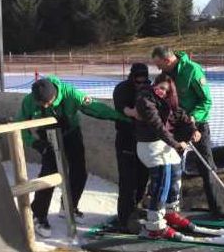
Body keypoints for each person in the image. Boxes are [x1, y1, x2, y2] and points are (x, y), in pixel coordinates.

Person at [16, 75, 130, 238]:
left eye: (48, 102)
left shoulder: (71, 94)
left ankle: (69, 206)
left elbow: (95, 108)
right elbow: (20, 125)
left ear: (55, 94)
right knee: (48, 176)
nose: (45, 106)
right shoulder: (29, 101)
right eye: (41, 104)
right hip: (47, 137)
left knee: (79, 171)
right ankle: (38, 215)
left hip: (70, 133)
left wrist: (122, 117)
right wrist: (35, 143)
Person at [151, 46, 224, 221]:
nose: (157, 69)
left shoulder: (192, 70)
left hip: (196, 125)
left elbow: (206, 100)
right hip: (174, 126)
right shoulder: (164, 75)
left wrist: (194, 117)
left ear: (168, 60)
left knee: (206, 166)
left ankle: (218, 209)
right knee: (168, 165)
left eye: (159, 64)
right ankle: (167, 208)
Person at [135, 73, 201, 239]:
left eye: (166, 90)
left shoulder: (168, 103)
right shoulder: (145, 101)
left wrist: (193, 130)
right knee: (162, 180)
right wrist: (176, 144)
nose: (162, 91)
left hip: (164, 145)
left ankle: (170, 213)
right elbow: (158, 127)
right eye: (160, 87)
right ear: (154, 85)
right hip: (149, 145)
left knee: (176, 171)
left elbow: (182, 116)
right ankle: (155, 224)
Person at [107, 63, 151, 232]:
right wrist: (133, 113)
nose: (140, 84)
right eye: (137, 81)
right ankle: (124, 218)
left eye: (143, 81)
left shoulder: (150, 88)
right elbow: (122, 107)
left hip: (144, 139)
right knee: (127, 181)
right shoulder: (122, 89)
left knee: (142, 178)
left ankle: (136, 210)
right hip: (126, 138)